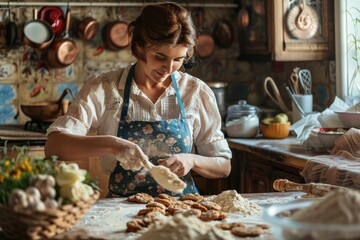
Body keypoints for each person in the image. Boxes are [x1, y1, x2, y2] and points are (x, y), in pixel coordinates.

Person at [45, 2, 232, 197]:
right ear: (139, 46)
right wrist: (112, 144)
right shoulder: (105, 88)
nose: (168, 69)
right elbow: (53, 146)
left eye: (178, 60)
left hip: (181, 210)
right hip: (121, 212)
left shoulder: (194, 92)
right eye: (160, 56)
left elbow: (223, 165)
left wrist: (192, 160)